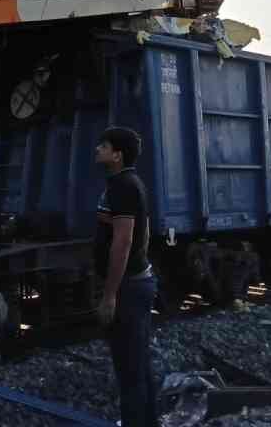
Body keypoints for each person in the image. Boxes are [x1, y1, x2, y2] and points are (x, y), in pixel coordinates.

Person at [94, 126, 157, 427]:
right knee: (138, 366)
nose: (97, 149)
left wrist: (109, 295)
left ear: (117, 155)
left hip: (129, 288)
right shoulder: (128, 183)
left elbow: (124, 241)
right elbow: (141, 234)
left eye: (103, 146)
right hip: (136, 282)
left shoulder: (123, 185)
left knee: (130, 371)